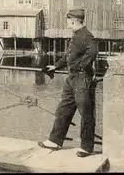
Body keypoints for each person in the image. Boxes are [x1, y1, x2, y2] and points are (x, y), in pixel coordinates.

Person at [38, 8, 98, 157]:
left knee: (86, 113)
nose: (67, 23)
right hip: (72, 79)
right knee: (63, 109)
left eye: (68, 20)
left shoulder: (86, 36)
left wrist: (81, 67)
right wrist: (56, 66)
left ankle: (86, 147)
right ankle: (55, 140)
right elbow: (68, 56)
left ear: (73, 20)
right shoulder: (76, 35)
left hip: (82, 79)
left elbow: (93, 52)